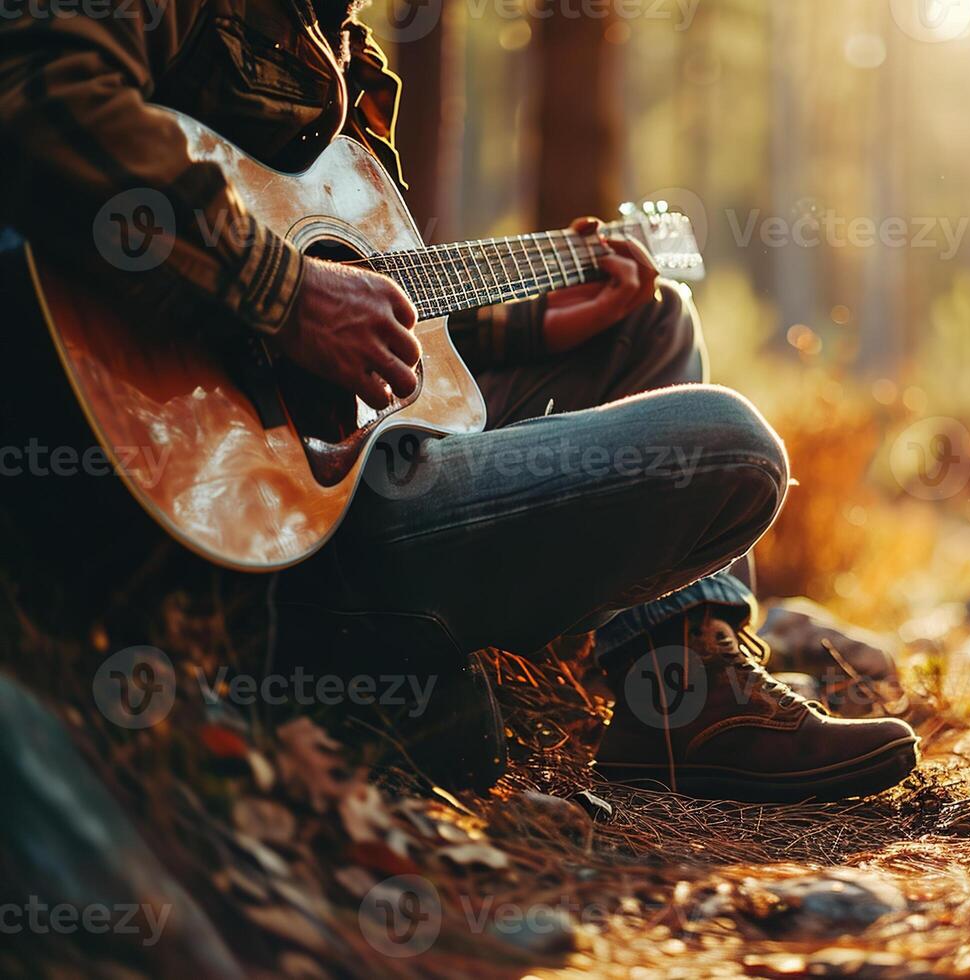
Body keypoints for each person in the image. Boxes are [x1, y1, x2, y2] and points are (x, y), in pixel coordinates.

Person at [0, 1, 919, 802]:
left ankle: (683, 703)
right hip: (255, 507)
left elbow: (364, 303)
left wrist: (527, 329)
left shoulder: (342, 50)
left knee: (651, 328)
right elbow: (37, 94)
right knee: (730, 450)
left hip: (340, 446)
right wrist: (284, 295)